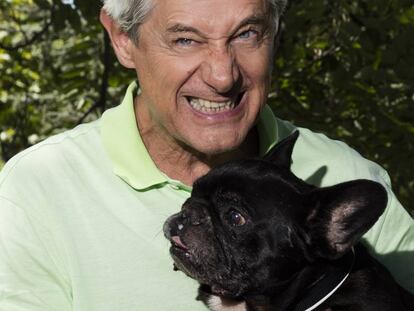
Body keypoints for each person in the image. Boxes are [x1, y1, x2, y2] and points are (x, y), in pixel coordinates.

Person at [0, 0, 413, 310]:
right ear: (123, 41)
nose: (222, 74)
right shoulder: (39, 187)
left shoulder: (346, 172)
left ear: (275, 33)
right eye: (185, 39)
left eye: (246, 34)